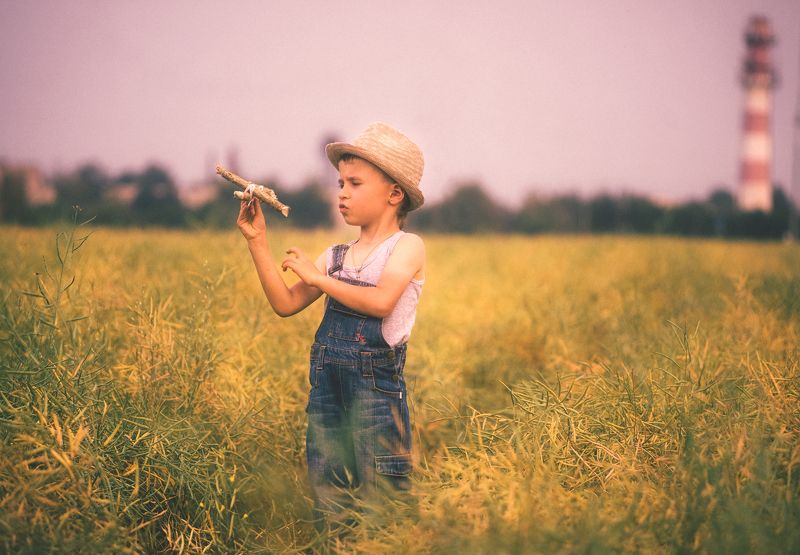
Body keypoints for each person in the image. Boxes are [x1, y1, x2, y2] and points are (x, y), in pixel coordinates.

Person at [236, 122, 426, 530]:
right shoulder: (337, 255)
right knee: (332, 504)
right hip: (327, 400)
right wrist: (257, 241)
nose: (342, 192)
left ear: (395, 194)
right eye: (341, 182)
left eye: (355, 183)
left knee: (383, 506)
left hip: (376, 402)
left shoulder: (407, 247)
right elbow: (284, 303)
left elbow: (379, 303)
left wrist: (320, 279)